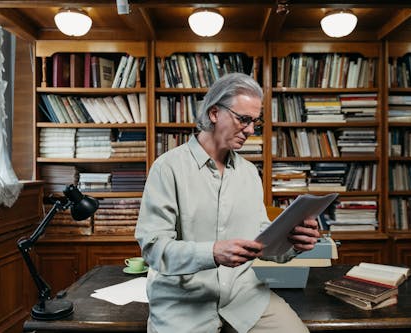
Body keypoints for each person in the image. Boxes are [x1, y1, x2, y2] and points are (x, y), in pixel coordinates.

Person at [135, 72, 319, 333]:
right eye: (244, 119)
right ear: (214, 113)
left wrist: (293, 243)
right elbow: (154, 249)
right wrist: (212, 253)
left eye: (256, 121)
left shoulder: (249, 174)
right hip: (183, 302)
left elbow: (262, 245)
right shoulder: (167, 168)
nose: (251, 130)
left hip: (244, 295)